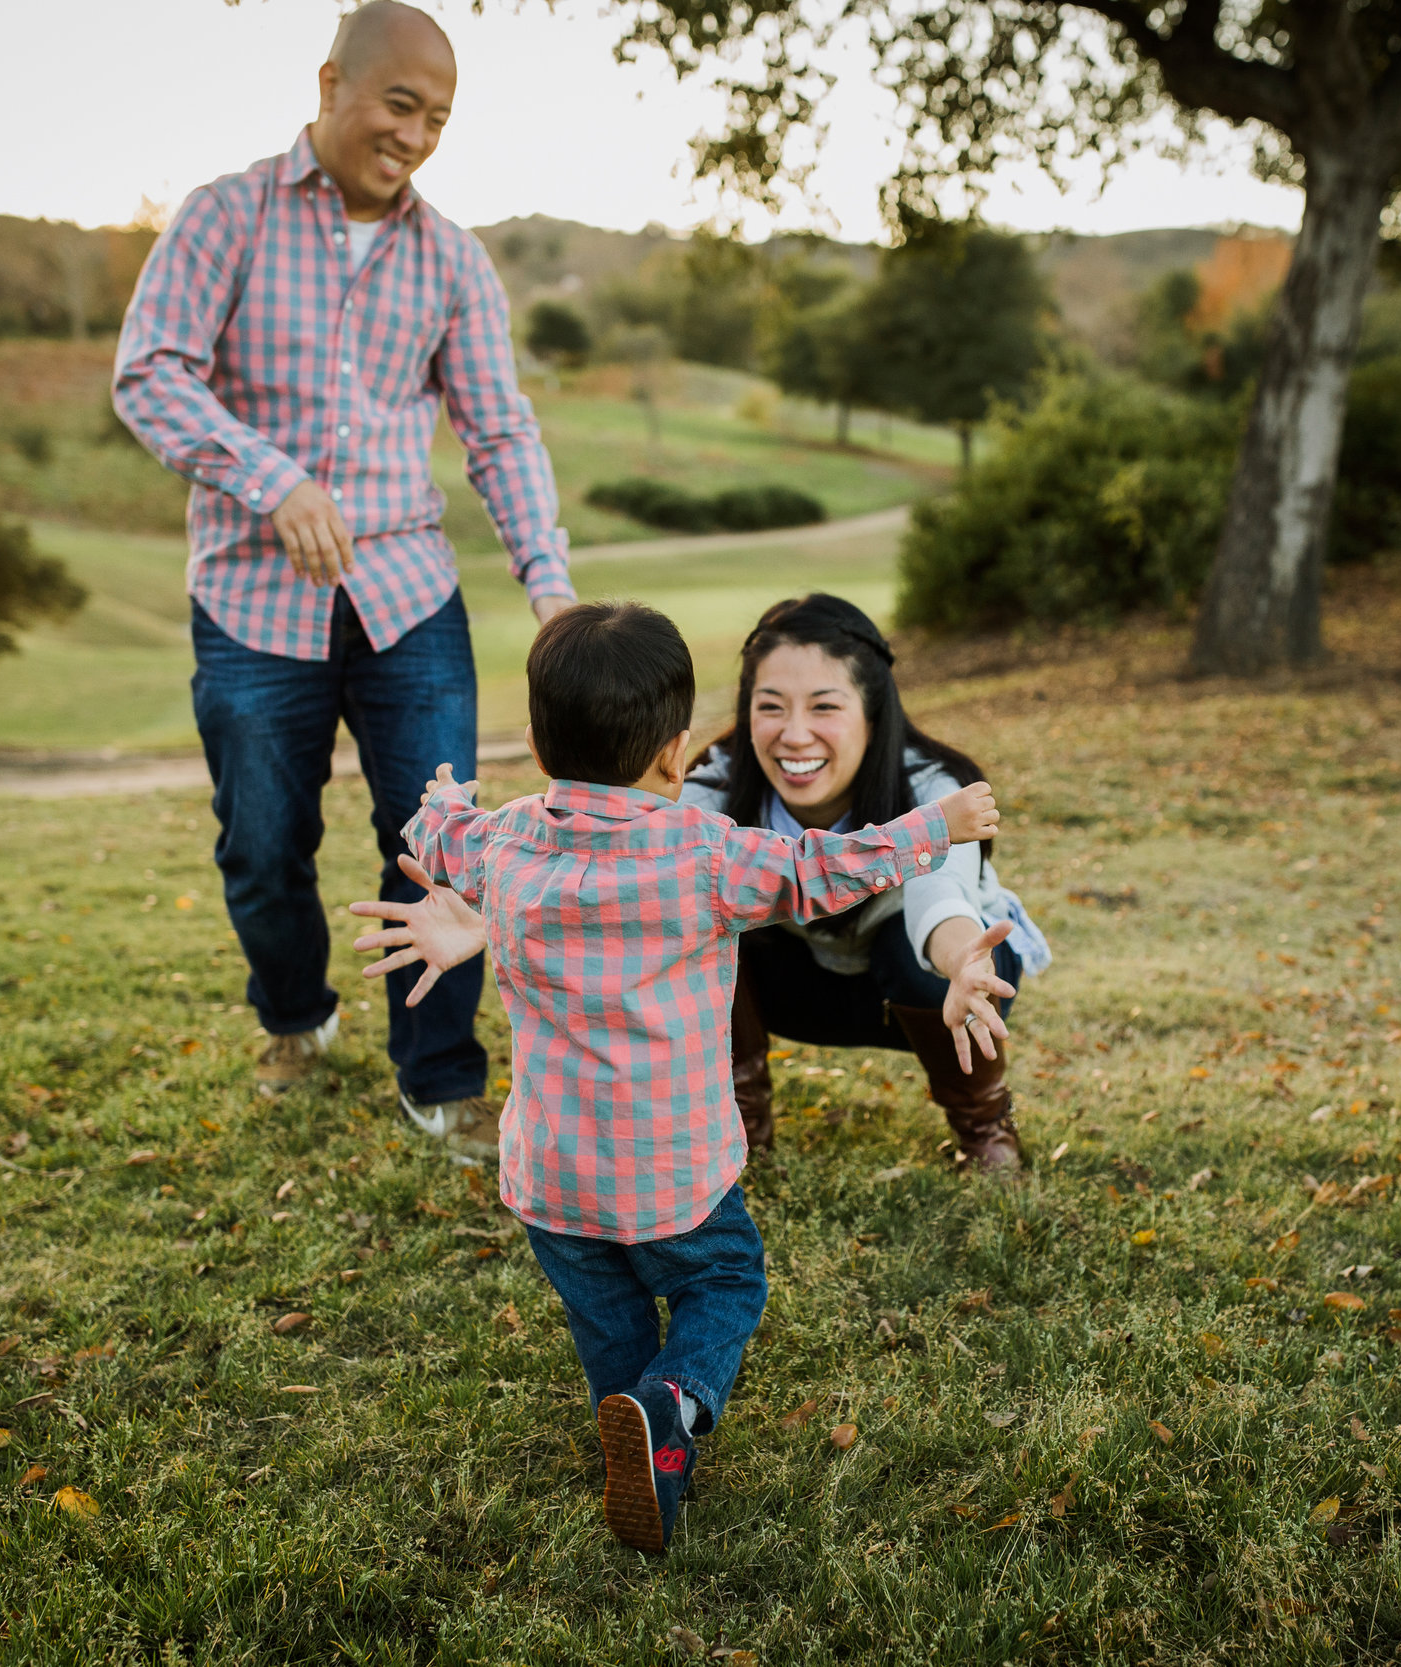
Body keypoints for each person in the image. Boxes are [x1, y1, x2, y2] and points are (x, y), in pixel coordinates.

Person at [346, 601, 1001, 1554]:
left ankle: (638, 1434)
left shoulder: (502, 841)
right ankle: (670, 1408)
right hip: (671, 1175)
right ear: (675, 754)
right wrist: (934, 825)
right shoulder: (706, 855)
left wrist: (445, 795)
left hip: (550, 1179)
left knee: (604, 1312)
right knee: (728, 1283)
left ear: (535, 744)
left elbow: (438, 832)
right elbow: (828, 869)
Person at [113, 1, 571, 1154]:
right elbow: (150, 373)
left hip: (409, 593)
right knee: (263, 843)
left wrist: (549, 582)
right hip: (251, 600)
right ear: (330, 86)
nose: (415, 135)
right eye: (397, 104)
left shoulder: (453, 259)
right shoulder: (225, 217)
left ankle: (440, 1074)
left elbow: (499, 432)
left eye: (437, 117)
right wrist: (272, 480)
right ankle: (295, 1014)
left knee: (440, 840)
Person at [680, 594, 1050, 1170]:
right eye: (771, 707)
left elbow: (940, 896)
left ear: (873, 715)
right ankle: (741, 1130)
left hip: (939, 985)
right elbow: (645, 864)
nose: (795, 735)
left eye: (824, 707)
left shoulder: (932, 788)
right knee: (698, 910)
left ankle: (985, 1128)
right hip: (799, 989)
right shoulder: (718, 786)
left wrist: (960, 960)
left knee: (910, 944)